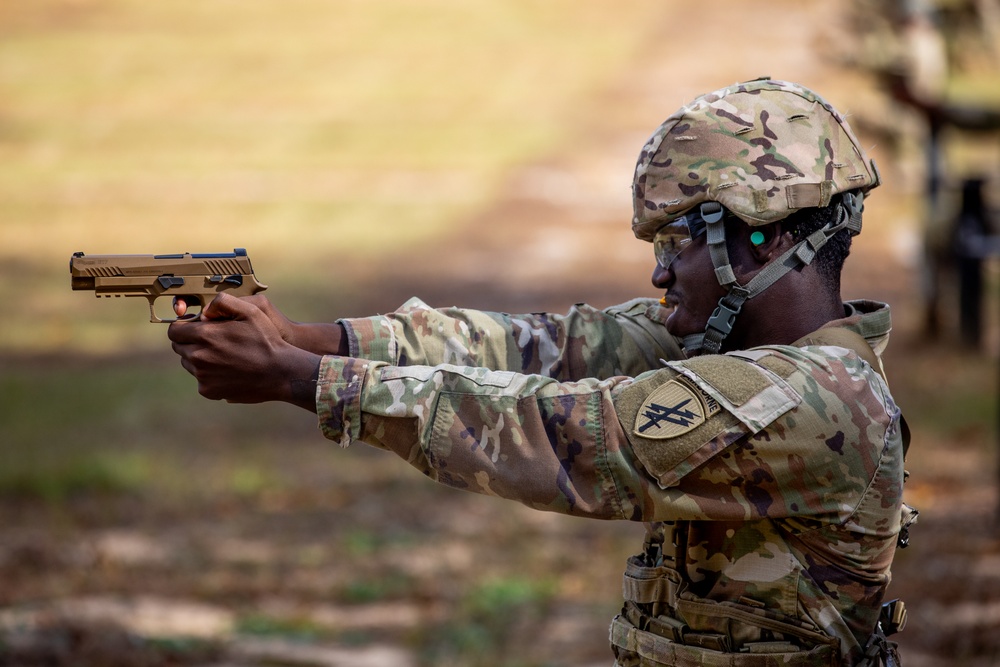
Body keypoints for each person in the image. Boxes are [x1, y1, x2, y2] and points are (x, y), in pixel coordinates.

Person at [168, 78, 911, 666]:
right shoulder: (731, 347)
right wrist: (302, 336)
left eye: (680, 238)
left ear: (763, 236)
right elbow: (536, 348)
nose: (660, 271)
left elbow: (569, 436)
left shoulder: (815, 400)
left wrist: (304, 379)